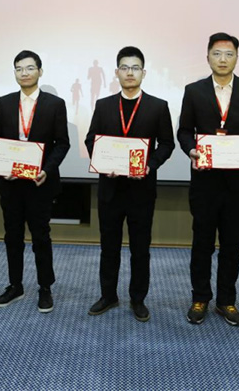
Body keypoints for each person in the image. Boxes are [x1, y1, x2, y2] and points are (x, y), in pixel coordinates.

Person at [177, 32, 239, 326]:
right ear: (207, 57)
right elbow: (184, 131)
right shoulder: (194, 91)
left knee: (232, 244)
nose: (223, 59)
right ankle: (200, 297)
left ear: (237, 58)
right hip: (205, 181)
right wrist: (192, 150)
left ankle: (227, 300)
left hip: (238, 183)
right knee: (202, 242)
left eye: (229, 54)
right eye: (217, 54)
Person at [84, 46, 174, 322]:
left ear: (143, 73)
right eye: (125, 67)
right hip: (110, 189)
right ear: (116, 72)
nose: (130, 73)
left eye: (135, 68)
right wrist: (103, 162)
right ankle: (108, 295)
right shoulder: (104, 105)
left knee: (140, 248)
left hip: (141, 190)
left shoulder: (158, 106)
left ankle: (138, 298)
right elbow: (91, 139)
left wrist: (149, 165)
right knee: (109, 246)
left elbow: (167, 144)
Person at [0, 50, 70, 313]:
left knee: (40, 237)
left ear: (40, 72)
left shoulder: (55, 104)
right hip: (10, 183)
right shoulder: (4, 102)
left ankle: (45, 288)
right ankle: (15, 285)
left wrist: (46, 169)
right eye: (19, 69)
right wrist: (1, 167)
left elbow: (62, 143)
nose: (24, 73)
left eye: (29, 68)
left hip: (40, 183)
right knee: (12, 236)